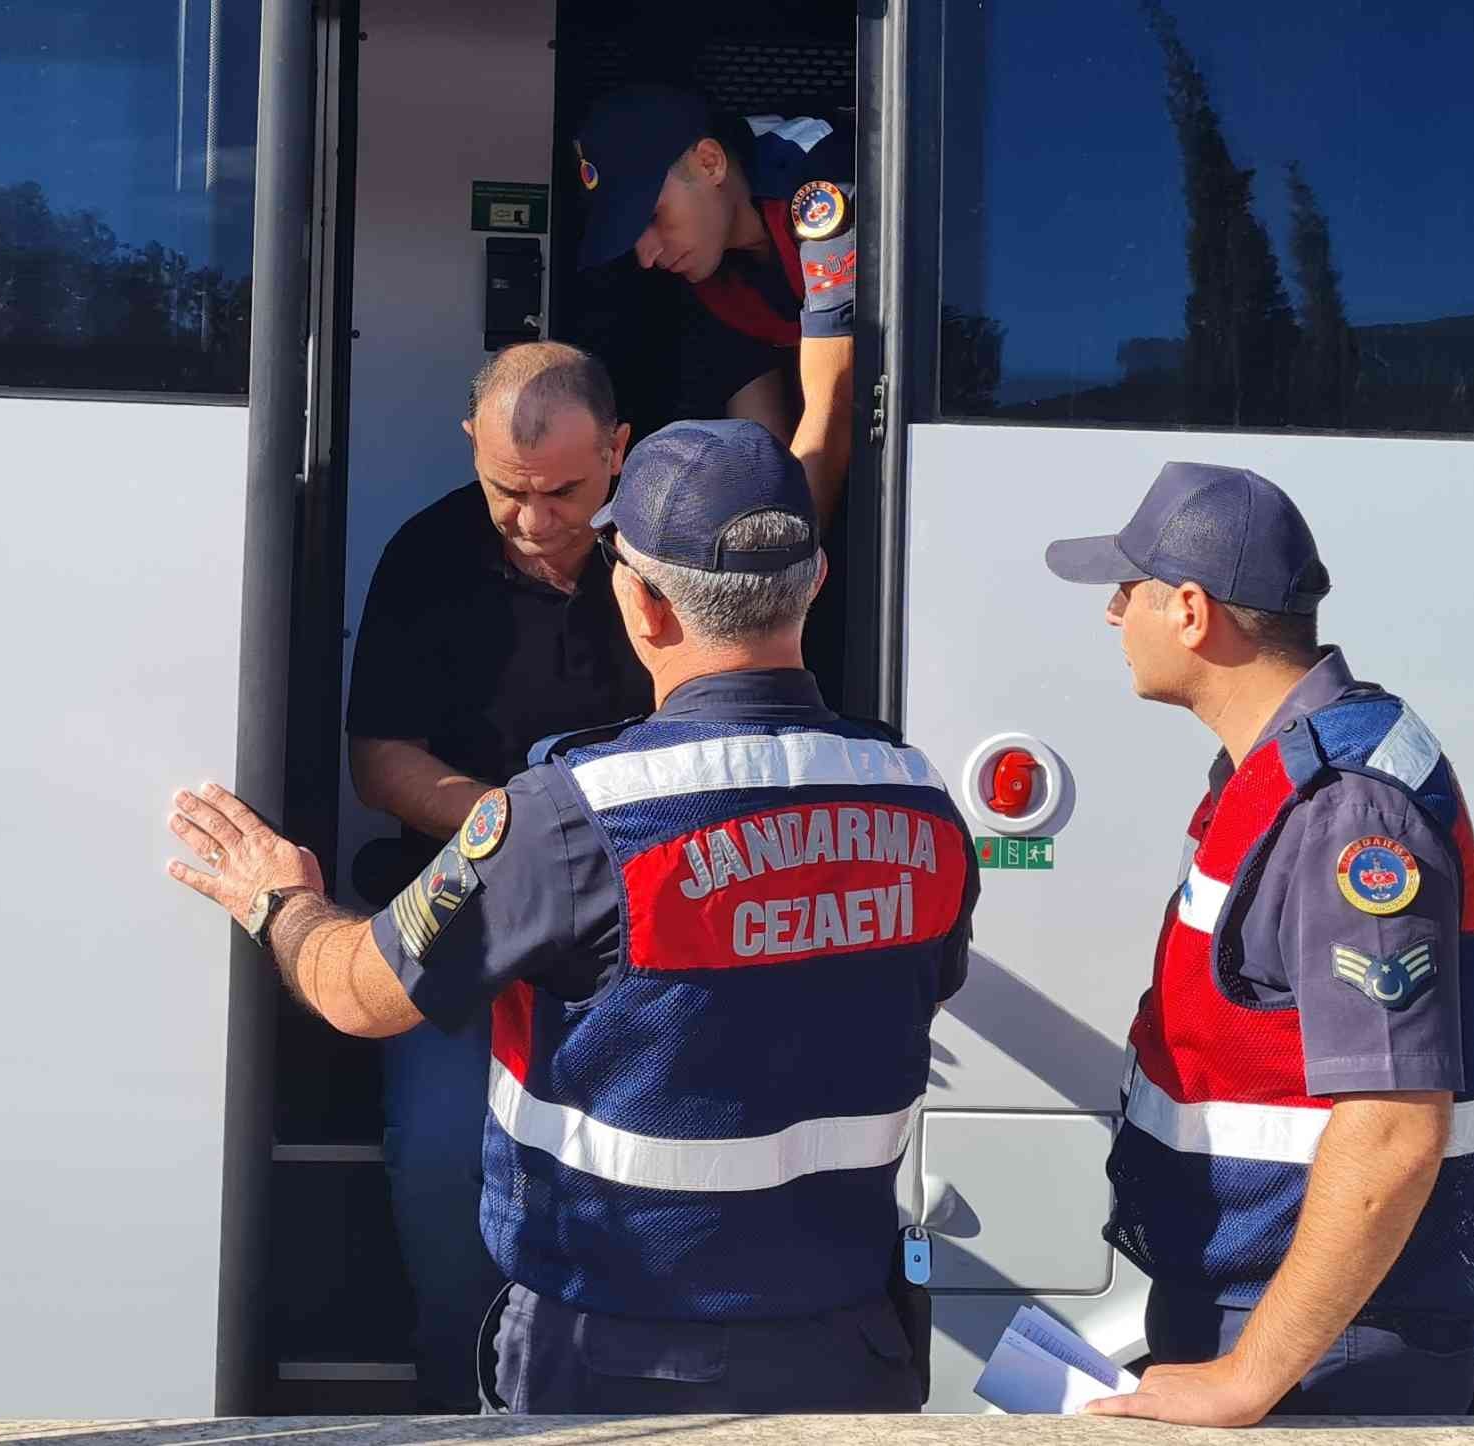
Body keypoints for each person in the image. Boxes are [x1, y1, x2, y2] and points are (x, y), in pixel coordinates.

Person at [167, 418, 978, 1414]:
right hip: (851, 1353)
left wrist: (277, 898)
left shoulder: (568, 817)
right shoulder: (919, 801)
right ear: (811, 584)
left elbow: (357, 994)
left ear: (638, 600)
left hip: (608, 1360)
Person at [1044, 462, 1474, 1424]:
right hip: (1286, 1324)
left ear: (1188, 611)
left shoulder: (1348, 811)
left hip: (1324, 1359)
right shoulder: (1278, 770)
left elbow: (1392, 1127)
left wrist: (1250, 1375)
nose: (1111, 615)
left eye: (1125, 591)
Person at [344, 340, 653, 1409]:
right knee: (438, 1168)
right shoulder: (427, 555)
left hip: (641, 926)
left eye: (562, 492)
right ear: (469, 447)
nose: (530, 521)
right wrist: (530, 832)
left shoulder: (668, 556)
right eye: (504, 492)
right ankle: (453, 1402)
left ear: (618, 453)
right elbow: (379, 764)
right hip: (465, 909)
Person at [573, 87, 855, 525]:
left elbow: (834, 407)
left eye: (652, 216)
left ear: (710, 162)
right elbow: (762, 447)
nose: (646, 256)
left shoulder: (817, 180)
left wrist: (779, 569)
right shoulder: (709, 267)